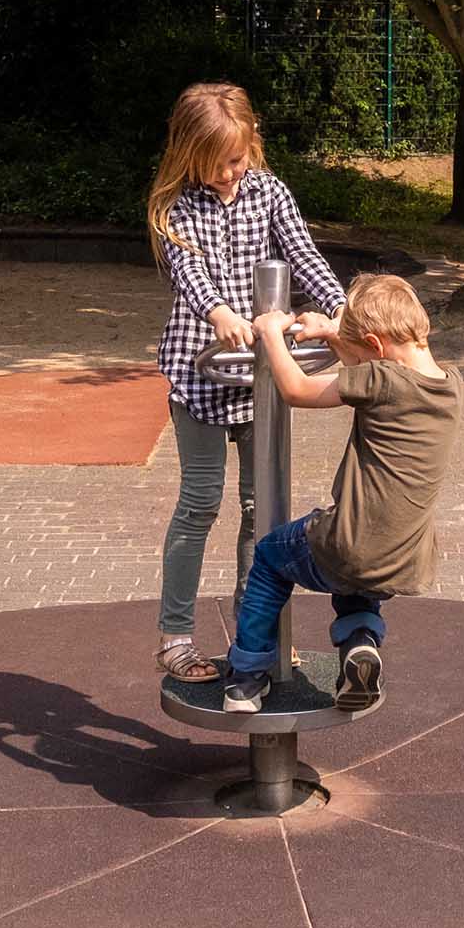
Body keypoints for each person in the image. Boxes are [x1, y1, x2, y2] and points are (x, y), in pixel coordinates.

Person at [147, 81, 345, 683]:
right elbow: (189, 270)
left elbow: (303, 255)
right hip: (203, 372)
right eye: (218, 163)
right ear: (190, 155)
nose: (231, 173)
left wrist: (339, 311)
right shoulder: (179, 205)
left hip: (262, 377)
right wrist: (218, 313)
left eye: (237, 159)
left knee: (262, 510)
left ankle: (252, 633)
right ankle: (175, 636)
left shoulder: (269, 192)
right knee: (201, 502)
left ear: (251, 145)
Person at [219, 273, 459, 714]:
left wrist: (270, 333)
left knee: (270, 557)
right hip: (405, 557)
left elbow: (295, 389)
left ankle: (246, 678)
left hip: (348, 544)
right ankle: (359, 646)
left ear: (376, 347)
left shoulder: (381, 381)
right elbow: (367, 359)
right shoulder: (450, 384)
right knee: (357, 581)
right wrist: (332, 332)